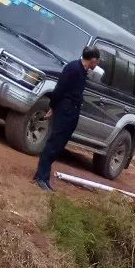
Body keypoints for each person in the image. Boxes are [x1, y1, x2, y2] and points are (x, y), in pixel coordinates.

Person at [33, 43, 101, 190]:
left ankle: (45, 175)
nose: (98, 64)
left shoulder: (83, 72)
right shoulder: (73, 68)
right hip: (64, 110)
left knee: (59, 146)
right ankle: (40, 176)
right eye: (98, 61)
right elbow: (59, 89)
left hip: (73, 112)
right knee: (53, 143)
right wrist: (53, 107)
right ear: (93, 60)